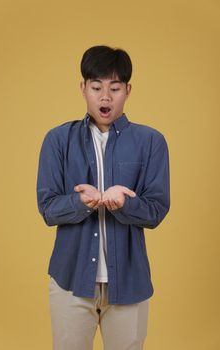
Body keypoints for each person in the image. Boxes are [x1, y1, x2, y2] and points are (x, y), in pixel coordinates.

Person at [36, 45, 170, 350]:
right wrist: (82, 202)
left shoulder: (151, 142)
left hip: (130, 284)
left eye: (114, 88)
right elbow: (47, 208)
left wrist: (125, 203)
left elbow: (156, 210)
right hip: (70, 280)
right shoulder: (58, 140)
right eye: (96, 87)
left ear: (128, 90)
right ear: (83, 88)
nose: (105, 97)